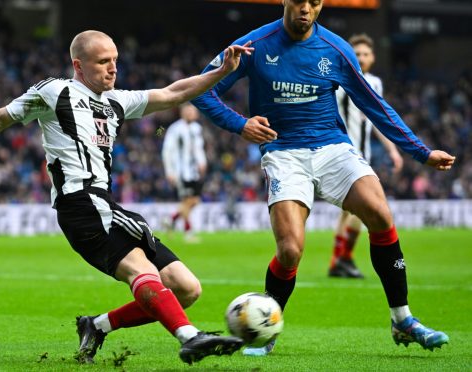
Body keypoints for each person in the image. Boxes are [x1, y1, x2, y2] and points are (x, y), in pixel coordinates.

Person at [0, 30, 253, 365]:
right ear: (78, 65)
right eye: (103, 62)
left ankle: (97, 326)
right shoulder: (55, 92)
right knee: (143, 274)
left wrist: (221, 71)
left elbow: (174, 93)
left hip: (107, 205)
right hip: (80, 204)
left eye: (115, 59)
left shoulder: (117, 101)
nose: (113, 67)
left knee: (186, 289)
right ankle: (189, 336)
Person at [192, 0, 454, 357]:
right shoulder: (253, 44)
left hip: (332, 147)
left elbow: (374, 105)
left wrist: (420, 152)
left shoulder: (336, 50)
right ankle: (267, 328)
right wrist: (240, 124)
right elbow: (202, 90)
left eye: (314, 2)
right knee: (290, 250)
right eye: (298, 0)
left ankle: (402, 319)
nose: (305, 8)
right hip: (284, 154)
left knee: (380, 213)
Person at [328, 33, 404, 279]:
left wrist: (392, 148)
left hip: (363, 153)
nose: (361, 58)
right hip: (347, 153)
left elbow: (376, 118)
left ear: (373, 57)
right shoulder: (339, 80)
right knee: (363, 210)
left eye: (365, 54)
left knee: (347, 213)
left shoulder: (375, 83)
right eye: (357, 53)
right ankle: (345, 258)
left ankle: (336, 261)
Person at [161, 103, 207, 242]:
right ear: (182, 113)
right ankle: (188, 233)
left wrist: (202, 162)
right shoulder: (175, 129)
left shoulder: (197, 128)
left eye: (193, 111)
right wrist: (169, 171)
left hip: (194, 172)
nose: (191, 113)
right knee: (187, 201)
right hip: (181, 172)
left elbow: (199, 149)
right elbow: (166, 151)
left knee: (194, 201)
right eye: (188, 111)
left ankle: (171, 219)